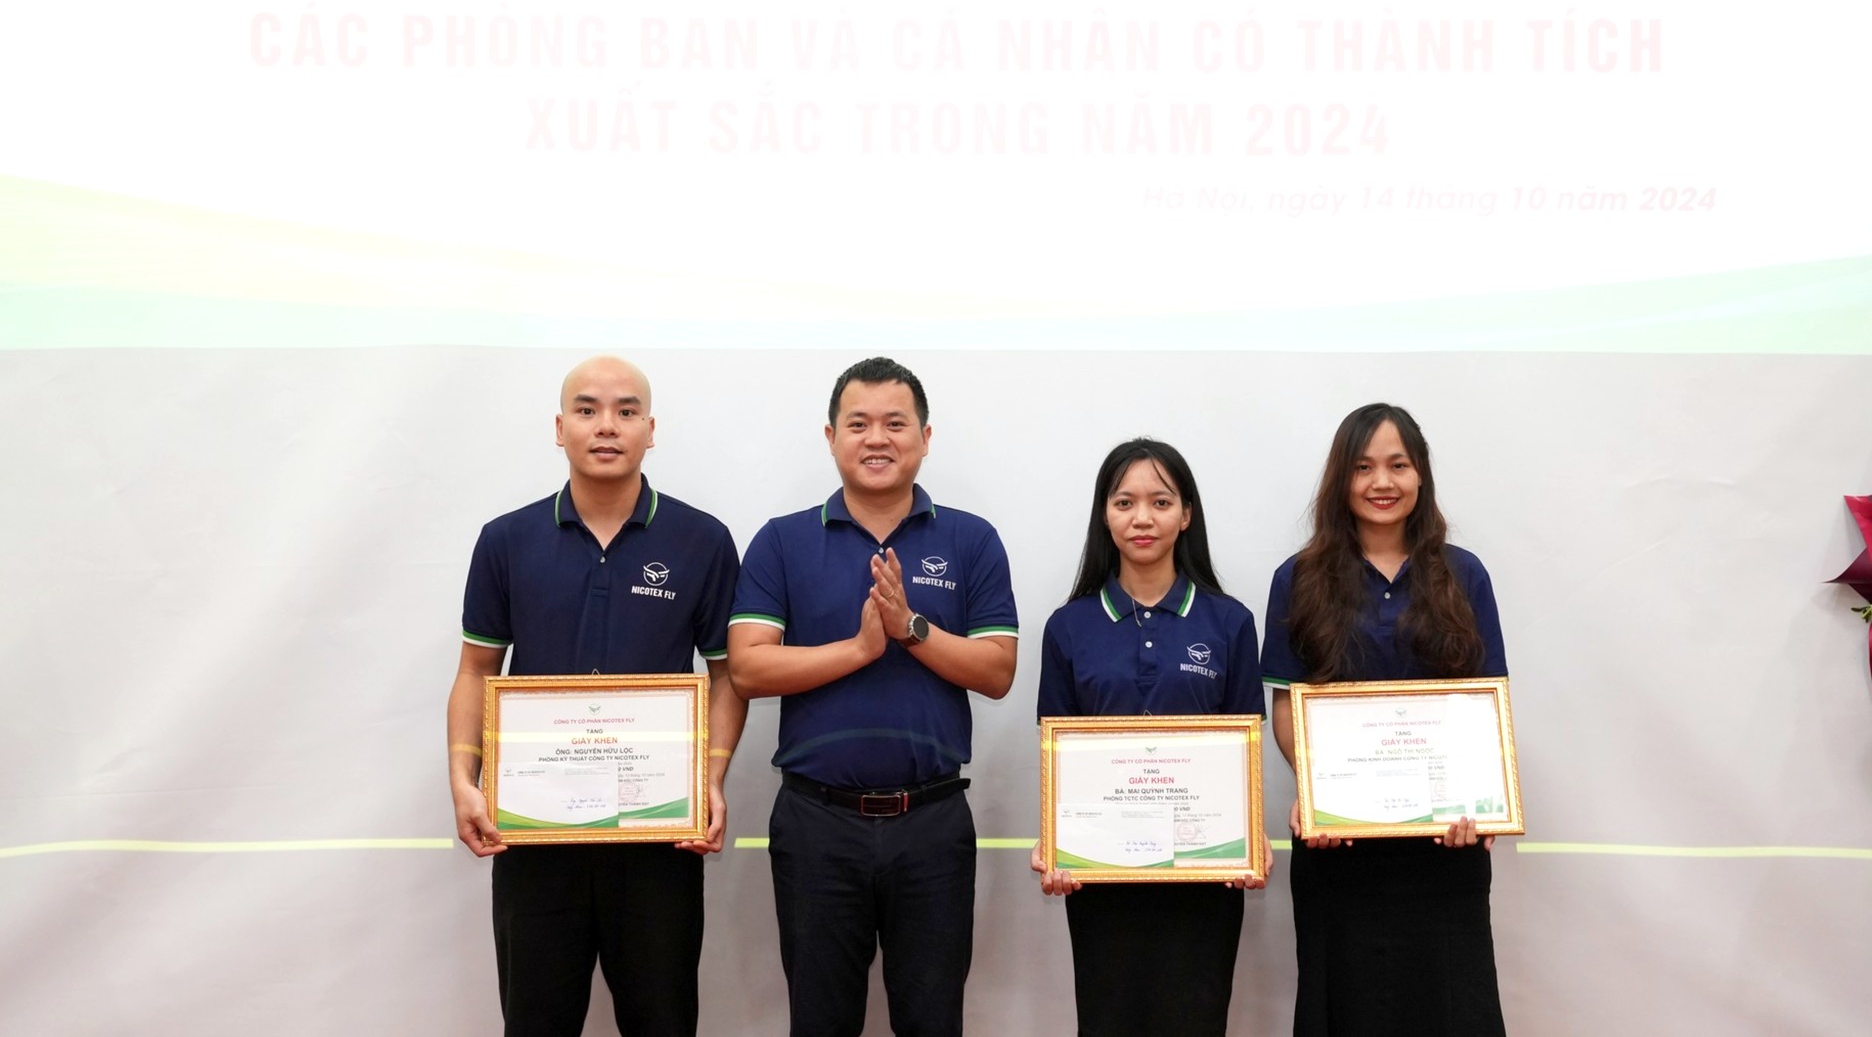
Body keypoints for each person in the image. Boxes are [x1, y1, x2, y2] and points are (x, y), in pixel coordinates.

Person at [445, 356, 747, 1037]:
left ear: (650, 430)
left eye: (625, 411)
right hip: (534, 835)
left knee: (663, 1021)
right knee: (536, 1022)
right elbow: (476, 670)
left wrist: (710, 777)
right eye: (587, 410)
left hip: (659, 837)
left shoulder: (702, 540)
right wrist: (464, 778)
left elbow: (728, 675)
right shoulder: (506, 540)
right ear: (560, 428)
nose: (606, 426)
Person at [726, 356, 1019, 1037]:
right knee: (820, 1021)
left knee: (933, 1020)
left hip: (932, 823)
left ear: (925, 437)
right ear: (831, 437)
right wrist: (859, 650)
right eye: (858, 424)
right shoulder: (782, 541)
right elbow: (748, 668)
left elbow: (997, 670)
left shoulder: (971, 539)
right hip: (816, 824)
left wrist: (910, 629)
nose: (877, 438)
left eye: (895, 423)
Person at [1262, 403, 1508, 1037]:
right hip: (1339, 850)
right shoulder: (1298, 578)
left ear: (1420, 474)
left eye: (1398, 465)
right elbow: (1287, 705)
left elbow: (1486, 701)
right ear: (1340, 478)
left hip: (1445, 847)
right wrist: (1315, 790)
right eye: (1363, 467)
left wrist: (1482, 799)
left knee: (1451, 1008)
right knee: (1345, 1007)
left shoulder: (1464, 575)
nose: (1382, 482)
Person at [1031, 438, 1266, 1037]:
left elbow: (1245, 749)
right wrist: (1055, 841)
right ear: (1104, 516)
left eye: (1160, 502)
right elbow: (1055, 752)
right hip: (1102, 875)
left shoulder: (1230, 622)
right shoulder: (1068, 627)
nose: (1142, 518)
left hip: (1204, 875)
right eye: (1124, 502)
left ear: (1186, 515)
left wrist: (1250, 834)